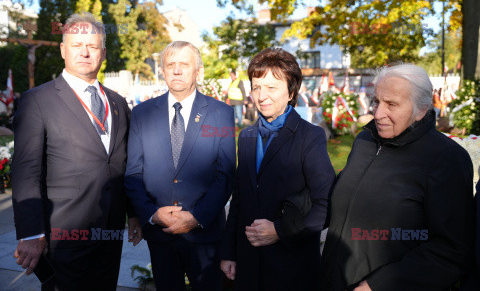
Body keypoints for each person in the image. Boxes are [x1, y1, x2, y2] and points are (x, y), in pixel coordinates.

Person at [11, 12, 142, 291]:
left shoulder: (118, 103)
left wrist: (134, 214)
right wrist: (31, 233)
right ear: (62, 50)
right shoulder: (37, 101)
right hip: (63, 234)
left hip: (109, 230)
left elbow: (124, 163)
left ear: (103, 52)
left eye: (93, 46)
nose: (85, 52)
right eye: (76, 45)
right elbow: (26, 172)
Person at [320, 64, 475, 291]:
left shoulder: (446, 158)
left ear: (421, 109)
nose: (378, 113)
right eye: (376, 101)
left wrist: (379, 285)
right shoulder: (365, 140)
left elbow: (452, 251)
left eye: (391, 104)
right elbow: (340, 200)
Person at [220, 47, 336, 291]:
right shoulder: (247, 136)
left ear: (291, 91)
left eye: (272, 87)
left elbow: (325, 206)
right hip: (250, 265)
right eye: (256, 87)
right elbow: (239, 201)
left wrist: (280, 231)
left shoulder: (310, 136)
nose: (262, 96)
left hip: (291, 267)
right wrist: (229, 253)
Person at [124, 41, 236, 291]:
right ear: (162, 70)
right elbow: (133, 173)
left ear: (198, 70)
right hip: (160, 235)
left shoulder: (221, 113)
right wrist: (152, 214)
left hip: (205, 235)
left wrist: (196, 217)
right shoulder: (142, 114)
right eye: (170, 65)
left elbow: (226, 175)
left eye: (184, 64)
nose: (176, 70)